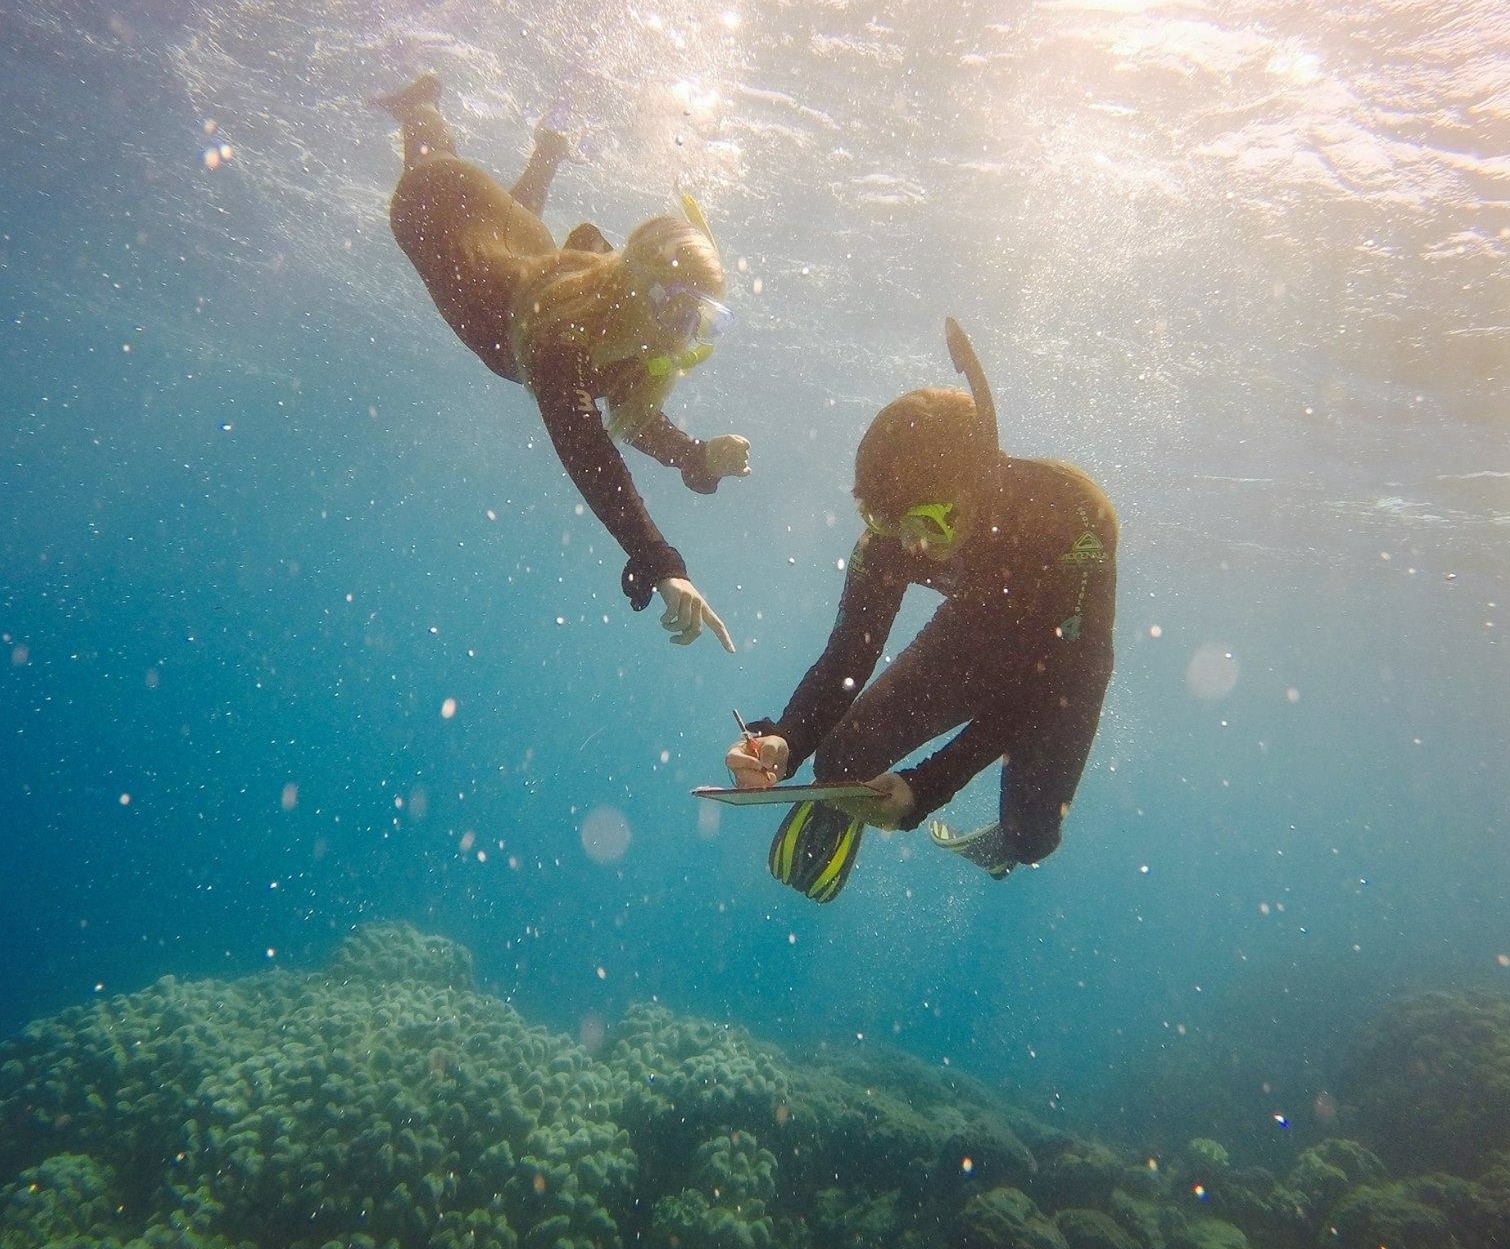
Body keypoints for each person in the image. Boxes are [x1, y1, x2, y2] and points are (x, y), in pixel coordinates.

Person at [725, 321, 1116, 902]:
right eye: (887, 524)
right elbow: (846, 659)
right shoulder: (895, 530)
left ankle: (1012, 844)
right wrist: (784, 739)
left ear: (978, 488)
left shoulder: (1062, 519)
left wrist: (926, 787)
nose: (911, 546)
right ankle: (839, 797)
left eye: (931, 523)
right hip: (979, 616)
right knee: (844, 755)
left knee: (1033, 833)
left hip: (1067, 656)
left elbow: (1034, 692)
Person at [376, 72, 749, 650]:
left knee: (529, 232)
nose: (686, 337)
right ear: (641, 291)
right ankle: (421, 105)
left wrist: (696, 455)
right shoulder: (562, 339)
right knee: (436, 163)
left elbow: (633, 419)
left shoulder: (630, 323)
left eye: (703, 321)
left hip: (517, 240)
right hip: (438, 209)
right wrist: (659, 559)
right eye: (681, 312)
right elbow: (587, 449)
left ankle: (547, 149)